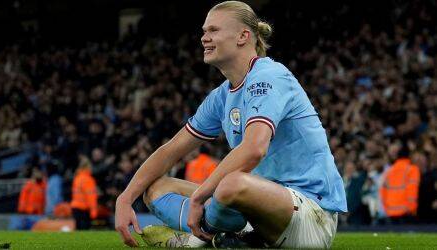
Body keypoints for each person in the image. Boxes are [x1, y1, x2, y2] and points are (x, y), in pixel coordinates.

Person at [115, 1, 347, 248]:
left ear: (243, 36)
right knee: (157, 188)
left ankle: (198, 240)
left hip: (310, 215)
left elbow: (254, 149)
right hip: (257, 214)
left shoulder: (268, 76)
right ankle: (231, 239)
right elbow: (171, 150)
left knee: (231, 184)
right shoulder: (222, 96)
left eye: (213, 30)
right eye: (204, 31)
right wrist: (126, 198)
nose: (204, 38)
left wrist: (199, 197)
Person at [70, 155, 98, 230]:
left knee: (78, 232)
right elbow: (91, 196)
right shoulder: (89, 180)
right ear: (87, 167)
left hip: (75, 208)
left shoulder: (77, 178)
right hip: (84, 210)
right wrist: (94, 211)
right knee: (85, 233)